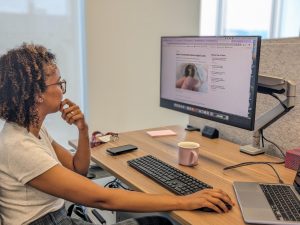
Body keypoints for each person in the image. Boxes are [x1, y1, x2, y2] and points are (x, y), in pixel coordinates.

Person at [0, 43, 234, 225]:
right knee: (162, 221)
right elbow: (102, 199)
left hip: (56, 217)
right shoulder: (19, 146)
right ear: (37, 94)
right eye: (58, 84)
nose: (62, 90)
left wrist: (83, 129)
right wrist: (187, 200)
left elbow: (78, 170)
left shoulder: (33, 129)